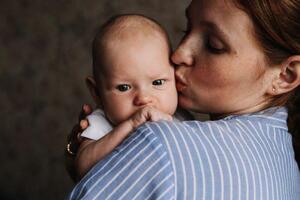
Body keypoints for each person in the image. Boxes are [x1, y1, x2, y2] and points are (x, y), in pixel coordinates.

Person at [66, 0, 300, 199]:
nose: (178, 54)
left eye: (213, 46)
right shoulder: (288, 169)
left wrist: (80, 158)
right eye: (187, 29)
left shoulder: (158, 144)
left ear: (286, 75)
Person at [66, 14, 193, 180]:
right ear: (96, 93)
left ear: (175, 77)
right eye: (124, 87)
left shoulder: (181, 118)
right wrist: (131, 125)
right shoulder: (101, 123)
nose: (144, 98)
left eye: (158, 82)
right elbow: (82, 168)